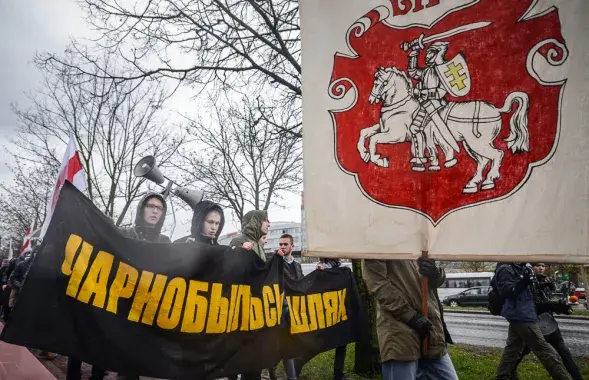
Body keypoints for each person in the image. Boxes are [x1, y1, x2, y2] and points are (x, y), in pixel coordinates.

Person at [363, 257, 458, 380]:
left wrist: (434, 273)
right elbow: (378, 284)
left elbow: (435, 282)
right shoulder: (378, 243)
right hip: (399, 331)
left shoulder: (421, 241)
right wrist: (411, 316)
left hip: (431, 331)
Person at [494, 263, 570, 380]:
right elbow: (508, 292)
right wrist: (524, 281)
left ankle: (503, 376)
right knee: (545, 350)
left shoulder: (526, 267)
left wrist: (555, 305)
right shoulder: (506, 268)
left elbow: (533, 298)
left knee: (513, 348)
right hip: (521, 315)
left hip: (528, 313)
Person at [510, 263, 581, 380]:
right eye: (537, 265)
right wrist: (555, 305)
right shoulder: (526, 282)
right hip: (532, 325)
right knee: (520, 353)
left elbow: (548, 297)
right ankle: (509, 373)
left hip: (548, 323)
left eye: (543, 265)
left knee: (565, 353)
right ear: (530, 268)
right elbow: (535, 305)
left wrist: (551, 290)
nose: (541, 268)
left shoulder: (543, 280)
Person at [269, 234, 300, 380]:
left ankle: (285, 375)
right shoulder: (276, 263)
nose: (282, 246)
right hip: (280, 311)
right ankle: (282, 375)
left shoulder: (298, 265)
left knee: (288, 345)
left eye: (285, 244)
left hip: (293, 311)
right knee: (281, 344)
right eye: (280, 244)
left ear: (292, 246)